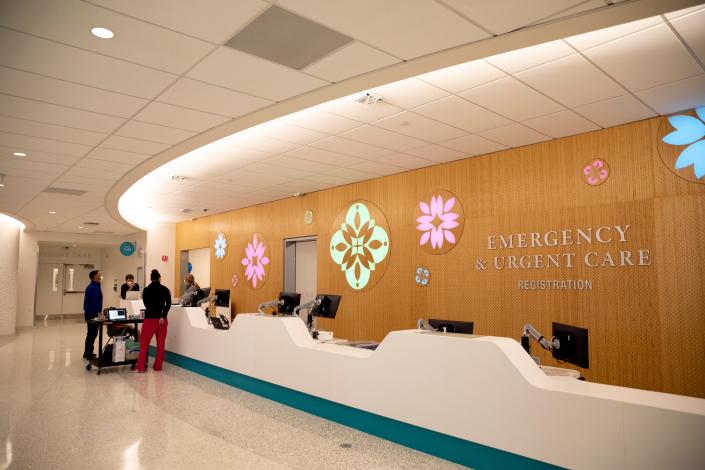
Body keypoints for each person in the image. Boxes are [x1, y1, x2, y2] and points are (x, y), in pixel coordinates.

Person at [134, 269, 171, 373]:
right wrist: (163, 316)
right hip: (162, 320)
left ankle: (141, 367)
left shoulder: (146, 290)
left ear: (151, 279)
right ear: (159, 278)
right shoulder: (165, 289)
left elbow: (146, 304)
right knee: (161, 344)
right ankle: (158, 366)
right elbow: (168, 304)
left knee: (144, 343)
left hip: (150, 319)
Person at [83, 270, 103, 359]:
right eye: (99, 275)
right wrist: (99, 313)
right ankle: (89, 354)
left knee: (90, 334)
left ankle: (87, 352)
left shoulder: (92, 286)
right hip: (92, 314)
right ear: (95, 277)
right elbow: (95, 302)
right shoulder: (94, 287)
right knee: (92, 334)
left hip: (89, 313)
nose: (101, 276)